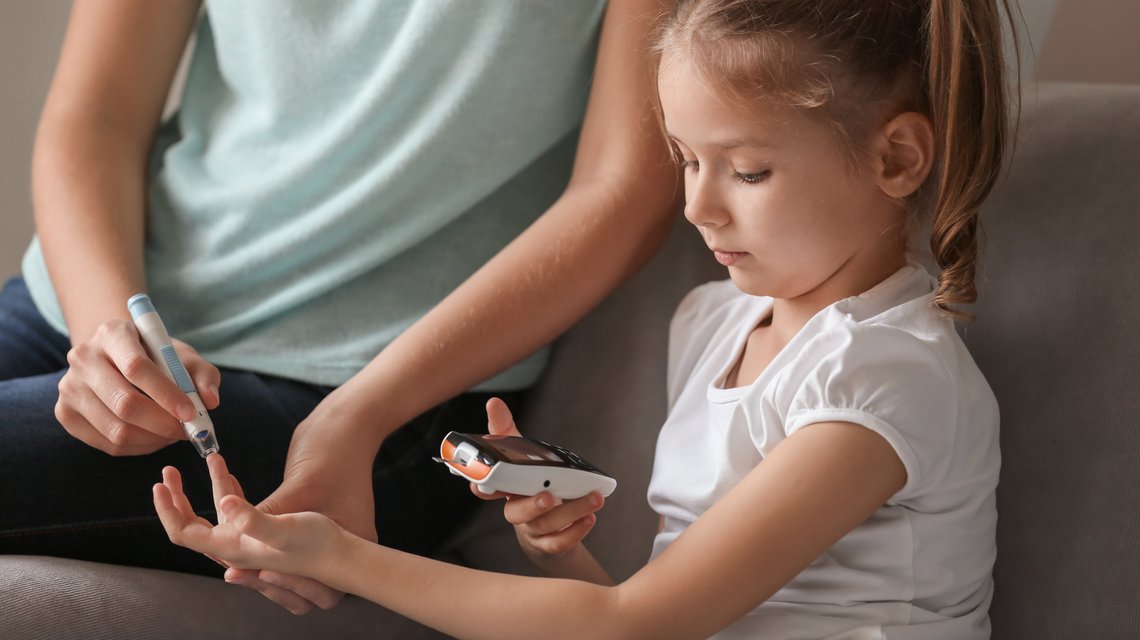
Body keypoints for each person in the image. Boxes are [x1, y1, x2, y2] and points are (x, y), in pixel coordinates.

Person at [152, 0, 1022, 637]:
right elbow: (663, 609)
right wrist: (557, 547)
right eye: (684, 160)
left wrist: (336, 555)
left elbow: (630, 625)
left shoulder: (886, 375)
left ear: (897, 158)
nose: (698, 209)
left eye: (747, 171)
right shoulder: (715, 321)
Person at [0, 0, 680, 615]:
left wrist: (355, 419)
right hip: (87, 306)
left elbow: (623, 191)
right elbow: (99, 112)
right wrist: (106, 334)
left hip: (374, 390)